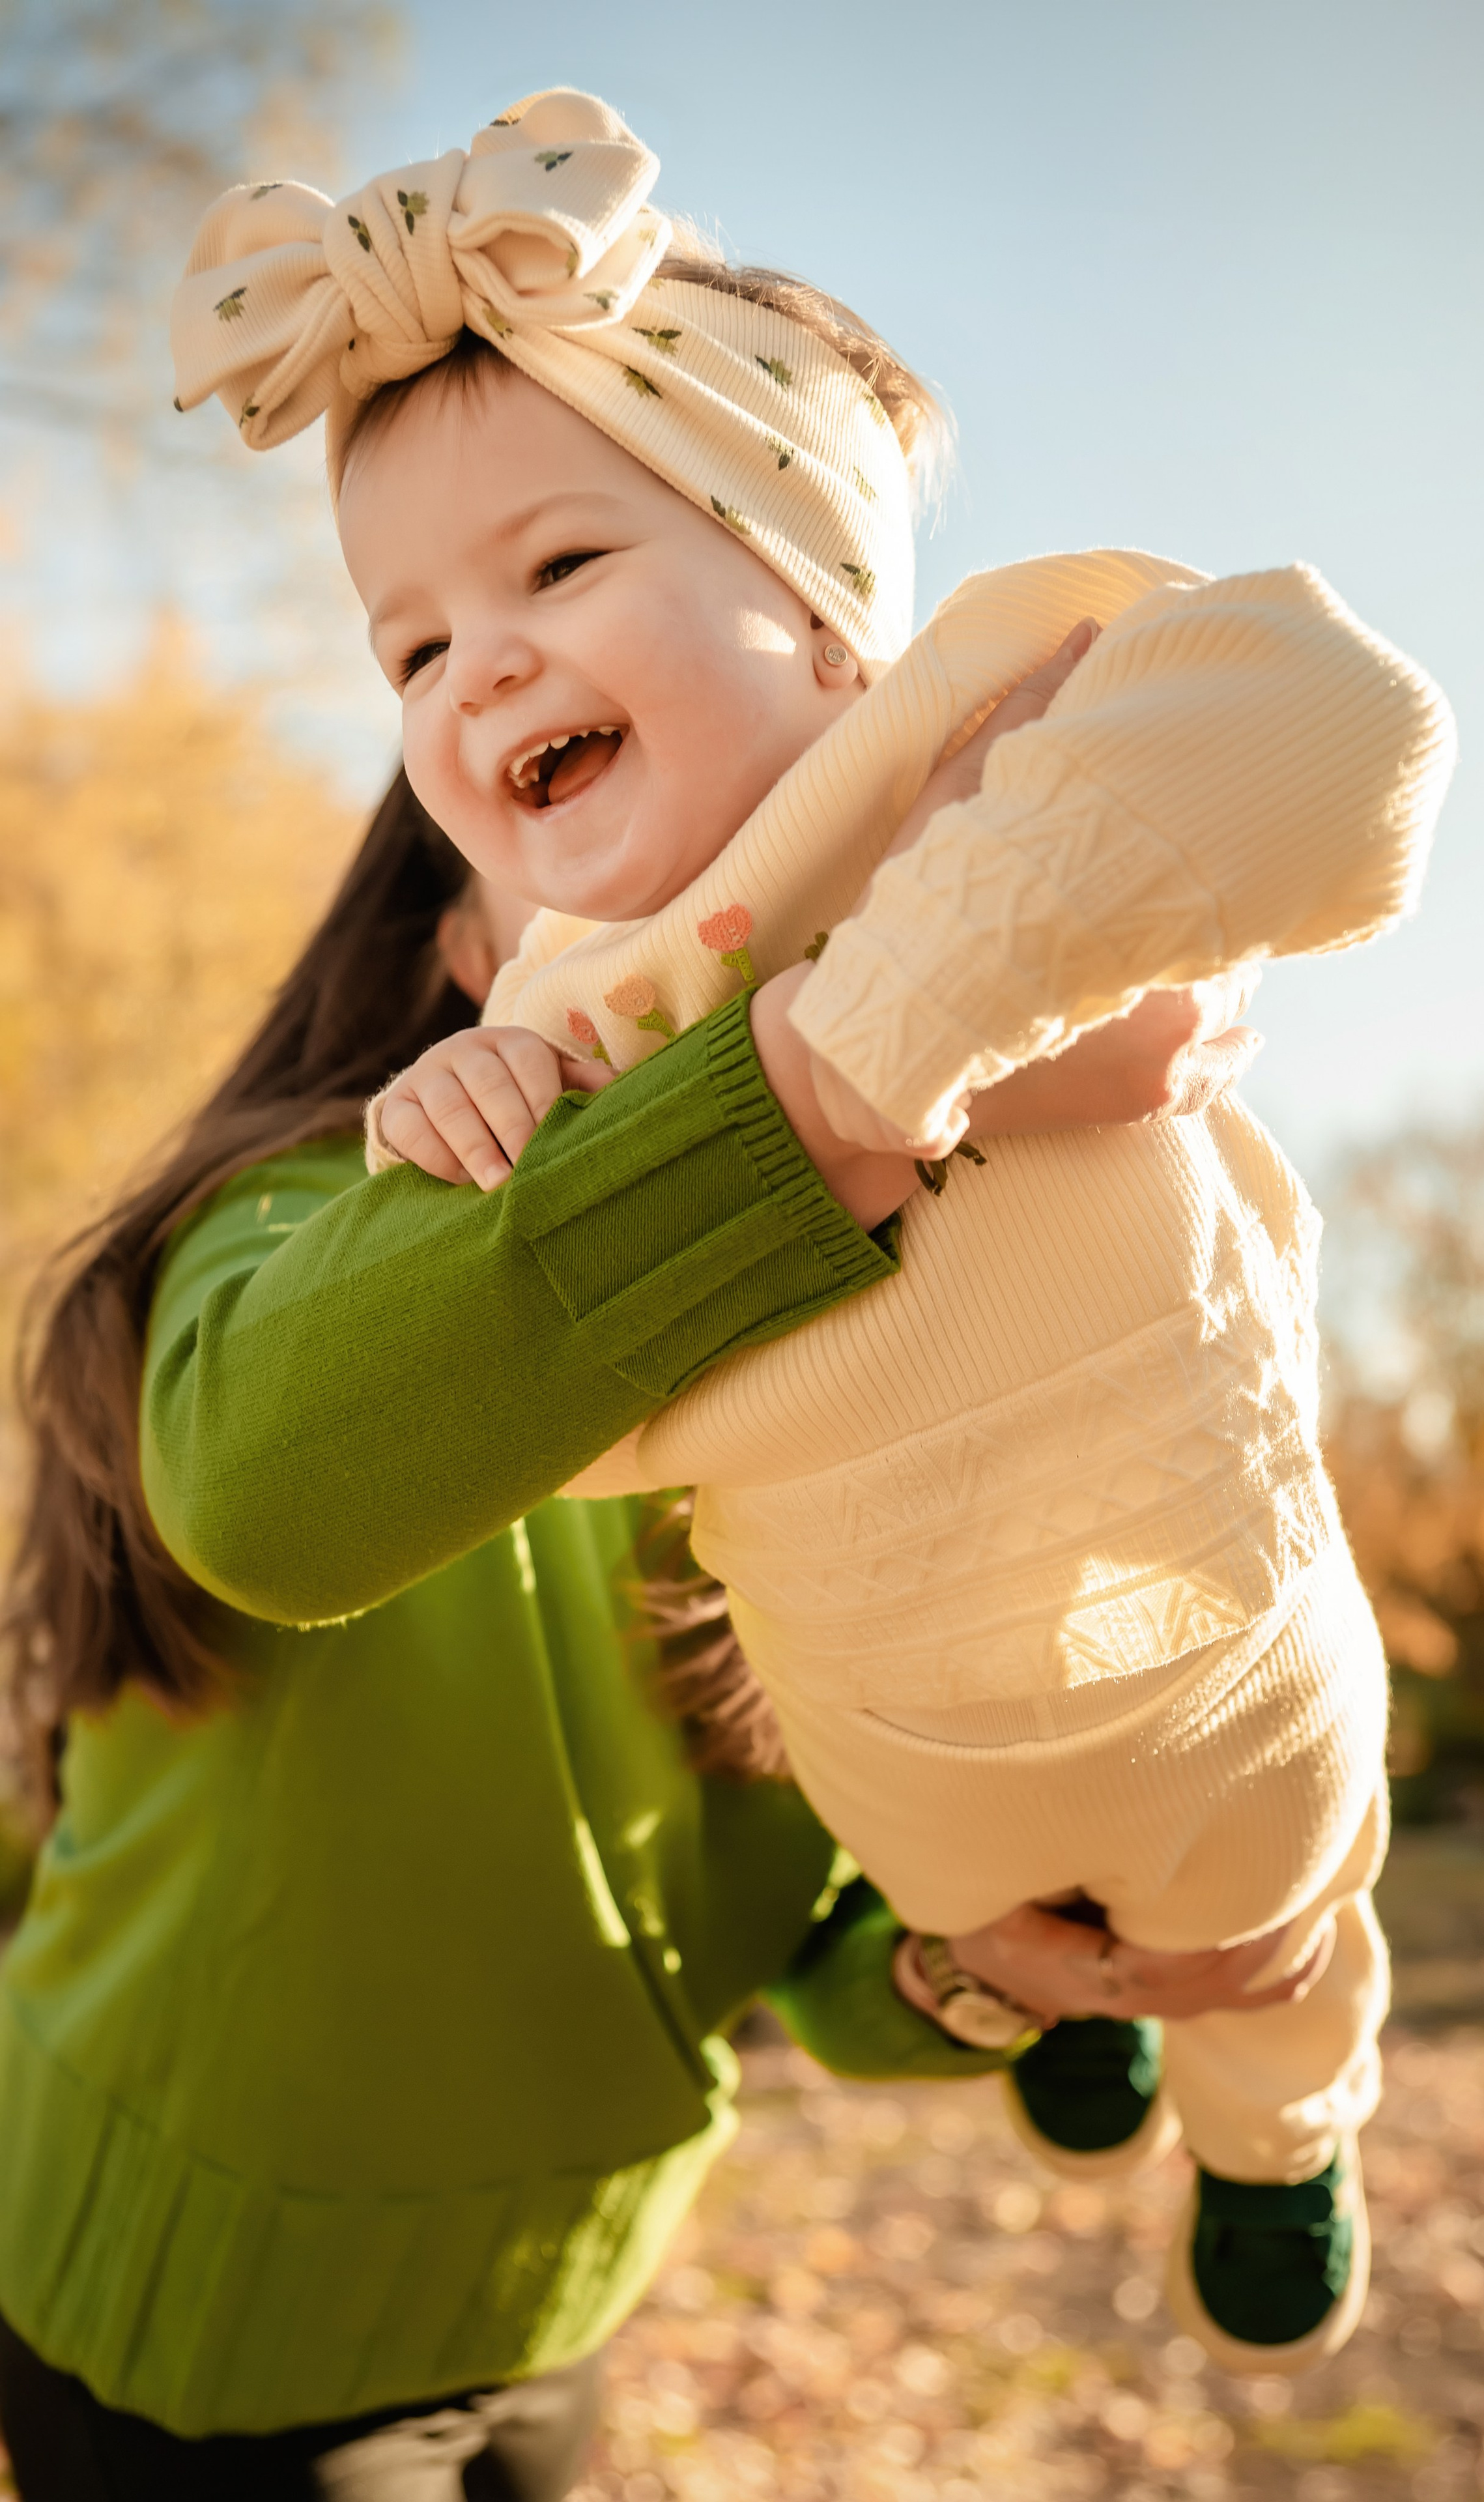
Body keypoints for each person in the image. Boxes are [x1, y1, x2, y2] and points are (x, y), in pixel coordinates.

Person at [167, 84, 1459, 2378]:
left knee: (1280, 1923)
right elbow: (480, 1404)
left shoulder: (972, 737)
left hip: (1205, 1635)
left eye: (557, 569)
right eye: (409, 648)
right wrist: (528, 1103)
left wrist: (943, 983)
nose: (470, 674)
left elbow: (1336, 724)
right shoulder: (565, 1013)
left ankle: (1285, 2140)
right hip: (916, 1761)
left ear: (827, 608)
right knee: (1009, 1896)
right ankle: (1073, 2029)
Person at [0, 755, 1272, 2498]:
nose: (748, 905)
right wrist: (848, 1086)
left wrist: (974, 1976)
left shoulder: (891, 1368)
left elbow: (809, 1927)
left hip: (560, 2301)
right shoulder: (302, 1233)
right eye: (607, 836)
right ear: (459, 942)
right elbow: (264, 1480)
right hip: (212, 2323)